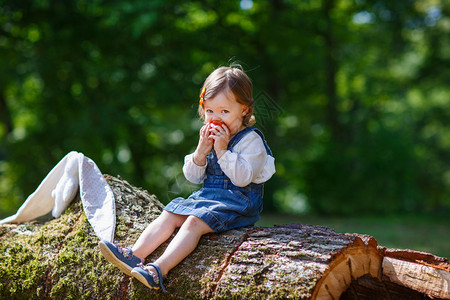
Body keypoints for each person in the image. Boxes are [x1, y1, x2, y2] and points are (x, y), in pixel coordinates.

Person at [98, 65, 276, 291]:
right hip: (209, 196)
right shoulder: (210, 136)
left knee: (193, 222)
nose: (216, 118)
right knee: (171, 212)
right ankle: (134, 255)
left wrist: (222, 151)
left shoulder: (251, 141)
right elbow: (193, 176)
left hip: (238, 202)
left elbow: (242, 179)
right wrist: (201, 152)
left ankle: (158, 270)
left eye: (224, 112)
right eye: (210, 111)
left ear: (244, 110)